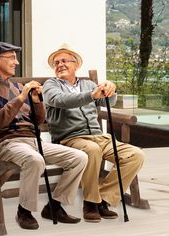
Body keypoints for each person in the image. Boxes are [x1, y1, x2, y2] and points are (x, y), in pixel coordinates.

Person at [0, 42, 88, 230]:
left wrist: (36, 101)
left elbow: (39, 120)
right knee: (35, 161)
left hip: (34, 140)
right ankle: (24, 211)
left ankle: (54, 206)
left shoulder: (18, 86)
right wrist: (21, 98)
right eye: (12, 58)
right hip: (8, 142)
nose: (16, 62)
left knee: (79, 157)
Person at [42, 44, 145, 223]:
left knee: (135, 154)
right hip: (70, 138)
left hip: (100, 137)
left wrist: (110, 89)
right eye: (56, 62)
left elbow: (108, 102)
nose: (60, 65)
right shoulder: (51, 85)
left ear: (76, 65)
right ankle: (90, 202)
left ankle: (103, 200)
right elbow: (59, 100)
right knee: (91, 150)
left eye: (65, 60)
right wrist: (92, 94)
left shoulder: (87, 83)